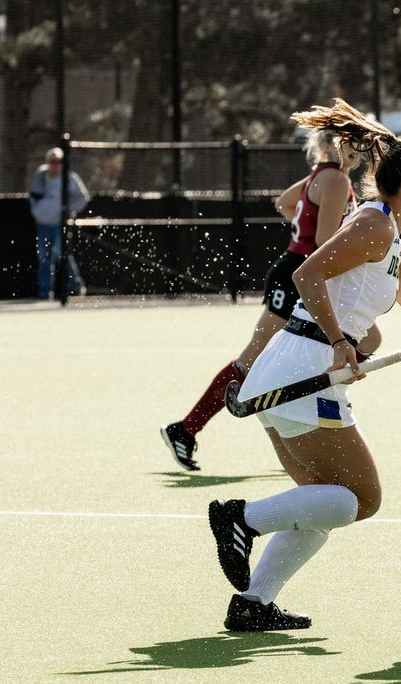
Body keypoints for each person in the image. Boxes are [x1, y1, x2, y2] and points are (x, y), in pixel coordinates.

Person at [206, 98, 401, 632]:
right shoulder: (373, 225)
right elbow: (307, 274)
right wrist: (339, 340)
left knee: (321, 500)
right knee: (362, 499)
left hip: (297, 370)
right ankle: (241, 518)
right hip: (305, 368)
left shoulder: (395, 246)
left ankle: (254, 602)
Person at [160, 129, 381, 471]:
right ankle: (185, 430)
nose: (363, 149)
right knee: (252, 359)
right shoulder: (336, 180)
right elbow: (324, 240)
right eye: (356, 142)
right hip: (303, 275)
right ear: (341, 145)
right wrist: (364, 252)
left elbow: (285, 204)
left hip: (297, 269)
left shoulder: (320, 176)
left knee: (367, 338)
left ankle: (305, 412)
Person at [28, 147, 88, 300]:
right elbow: (33, 197)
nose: (56, 165)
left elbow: (82, 197)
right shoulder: (40, 176)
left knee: (63, 256)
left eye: (59, 161)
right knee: (44, 259)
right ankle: (44, 292)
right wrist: (37, 213)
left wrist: (70, 211)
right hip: (43, 225)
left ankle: (76, 287)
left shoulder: (69, 178)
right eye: (53, 161)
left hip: (60, 225)